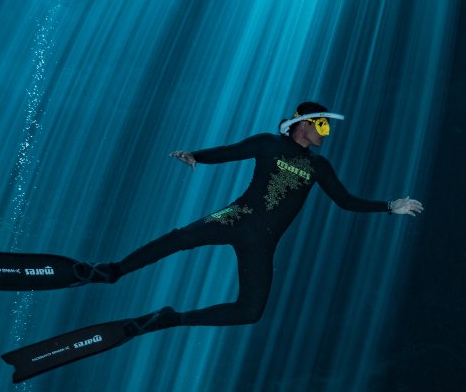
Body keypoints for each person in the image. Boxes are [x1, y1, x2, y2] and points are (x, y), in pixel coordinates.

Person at [82, 101, 424, 336]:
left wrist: (390, 206)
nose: (326, 131)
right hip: (237, 217)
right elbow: (232, 152)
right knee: (180, 239)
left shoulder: (319, 167)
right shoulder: (267, 144)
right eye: (322, 124)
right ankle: (112, 271)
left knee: (250, 312)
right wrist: (195, 156)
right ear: (303, 124)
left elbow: (346, 201)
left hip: (262, 241)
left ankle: (172, 319)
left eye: (327, 126)